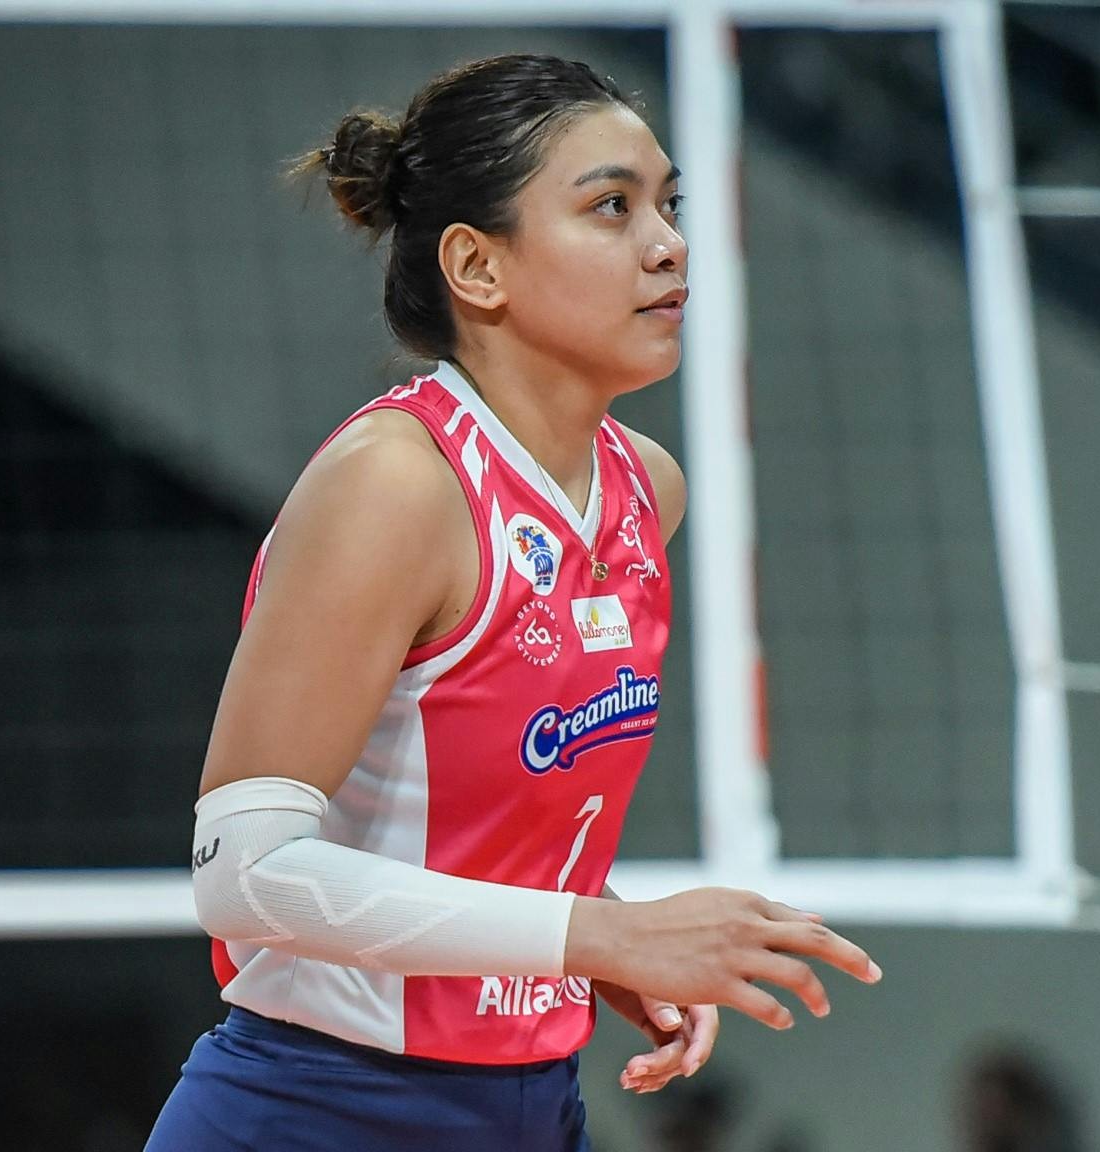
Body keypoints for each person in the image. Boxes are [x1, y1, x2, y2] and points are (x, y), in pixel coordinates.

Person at [145, 55, 882, 1152]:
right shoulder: (397, 485)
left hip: (529, 1106)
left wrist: (615, 937)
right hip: (317, 1108)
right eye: (611, 207)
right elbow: (243, 878)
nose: (668, 245)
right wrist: (594, 938)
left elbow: (463, 830)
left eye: (668, 205)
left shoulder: (644, 490)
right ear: (476, 266)